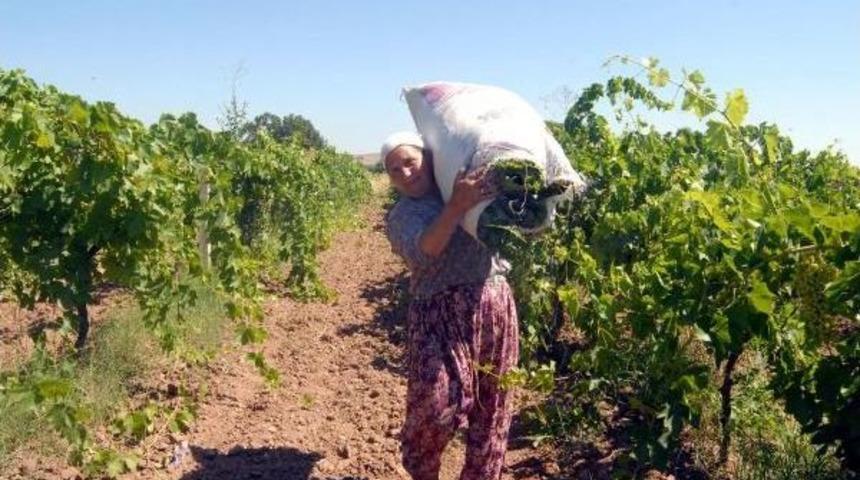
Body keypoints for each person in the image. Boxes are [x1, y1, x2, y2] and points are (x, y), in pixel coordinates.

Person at [381, 131, 519, 480]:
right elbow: (424, 252)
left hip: (492, 307)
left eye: (410, 162)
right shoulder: (403, 215)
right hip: (437, 317)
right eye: (395, 170)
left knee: (493, 408)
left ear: (428, 159)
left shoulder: (463, 189)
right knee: (435, 405)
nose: (405, 173)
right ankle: (423, 472)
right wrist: (456, 206)